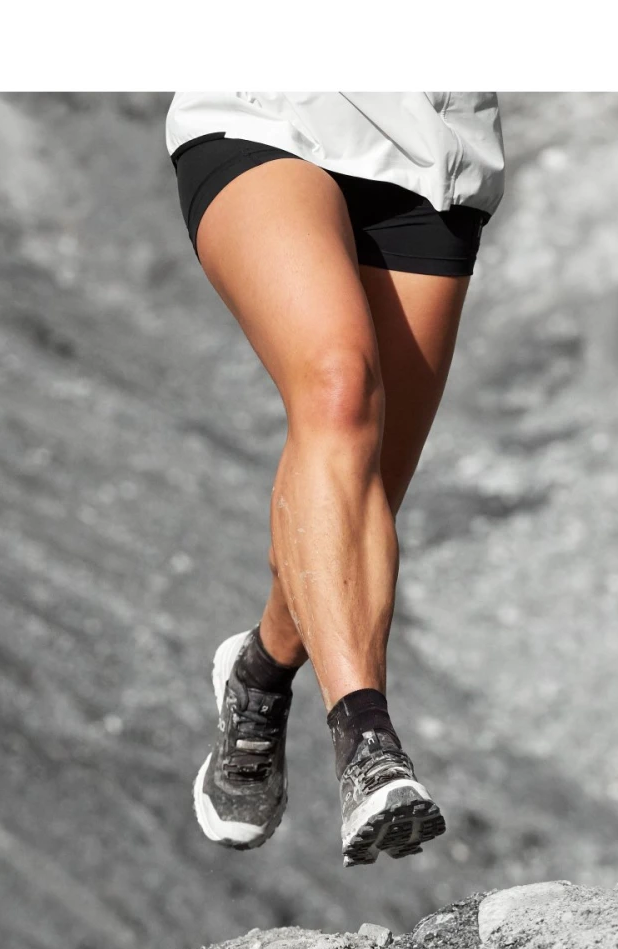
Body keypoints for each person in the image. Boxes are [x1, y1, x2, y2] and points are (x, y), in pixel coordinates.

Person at [172, 92, 505, 866]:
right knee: (338, 388)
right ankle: (367, 743)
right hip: (265, 110)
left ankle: (260, 669)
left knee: (363, 498)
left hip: (434, 147)